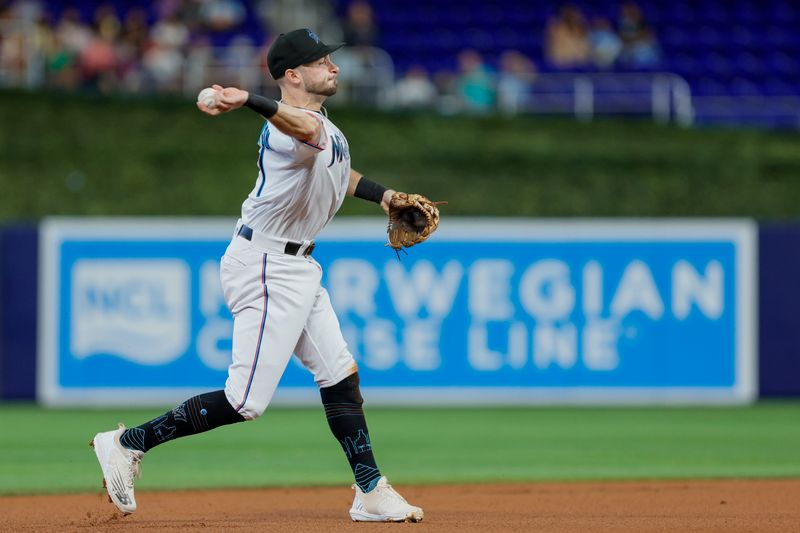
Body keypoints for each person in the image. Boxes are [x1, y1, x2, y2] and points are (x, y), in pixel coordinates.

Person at [90, 28, 424, 524]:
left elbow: (336, 167)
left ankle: (370, 489)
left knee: (339, 373)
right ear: (293, 74)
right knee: (244, 400)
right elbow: (301, 132)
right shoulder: (286, 128)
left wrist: (386, 197)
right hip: (266, 265)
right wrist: (248, 98)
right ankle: (127, 443)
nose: (333, 67)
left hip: (297, 265)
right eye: (322, 61)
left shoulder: (319, 124)